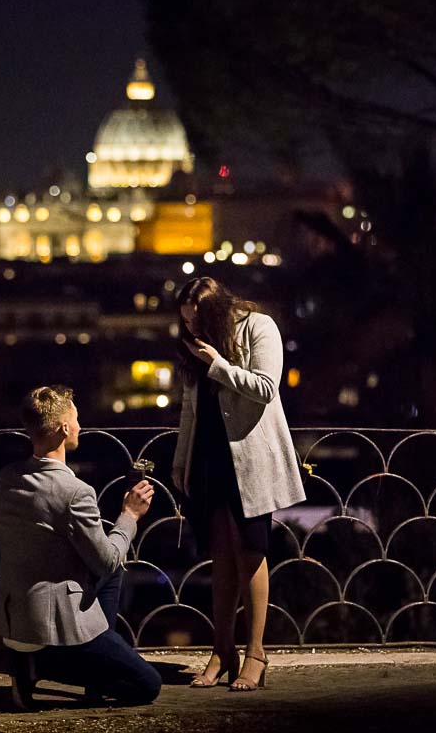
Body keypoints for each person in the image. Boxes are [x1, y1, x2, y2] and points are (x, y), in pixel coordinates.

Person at [171, 277, 306, 691]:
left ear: (215, 312)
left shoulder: (258, 327)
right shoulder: (197, 346)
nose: (192, 330)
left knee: (250, 550)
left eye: (197, 321)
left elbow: (267, 388)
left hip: (249, 458)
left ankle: (256, 653)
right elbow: (191, 409)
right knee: (220, 555)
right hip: (211, 455)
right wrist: (181, 462)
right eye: (186, 324)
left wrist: (219, 365)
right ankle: (221, 649)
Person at [0, 385, 161, 709]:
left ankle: (41, 666)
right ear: (64, 428)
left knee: (110, 569)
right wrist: (130, 515)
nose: (81, 426)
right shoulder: (75, 491)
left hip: (16, 622)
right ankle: (47, 668)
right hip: (53, 633)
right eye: (77, 419)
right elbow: (107, 561)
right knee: (147, 685)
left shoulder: (7, 478)